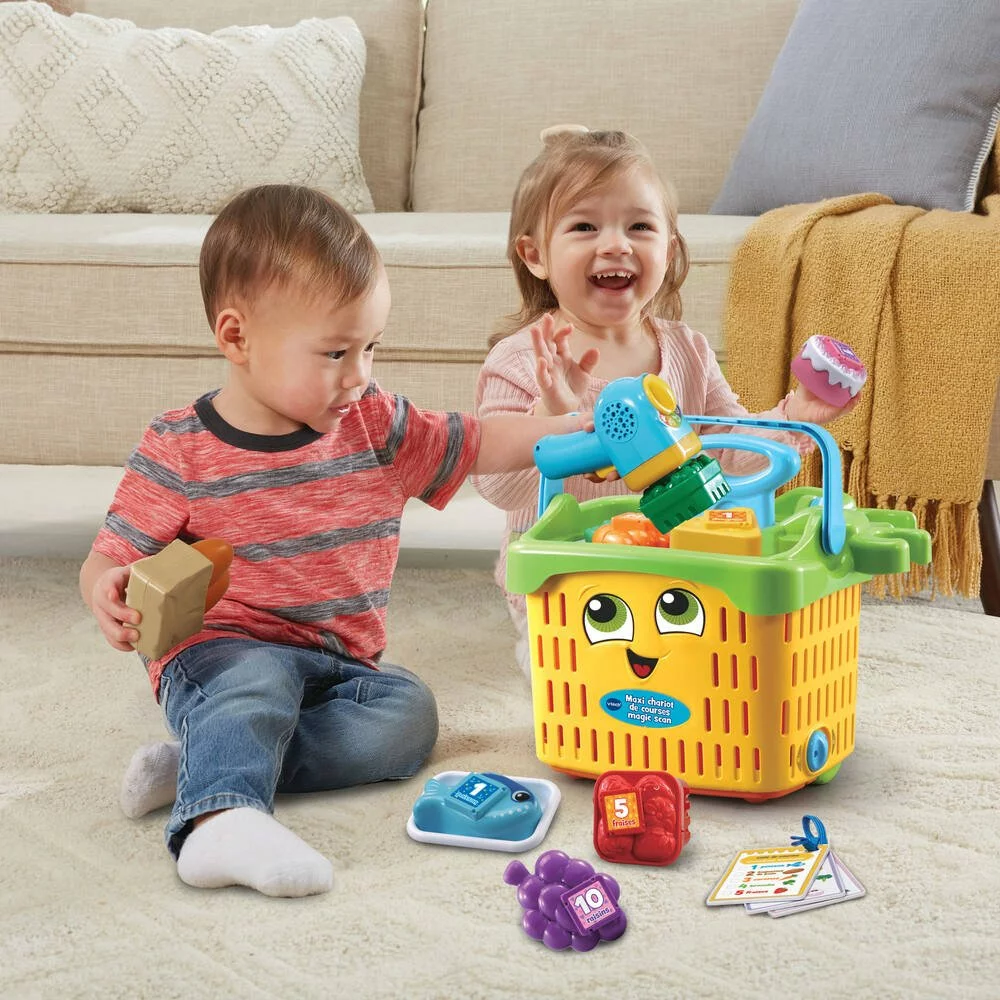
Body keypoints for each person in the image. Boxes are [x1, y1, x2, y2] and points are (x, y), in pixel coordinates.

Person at [79, 184, 586, 898]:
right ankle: (216, 823)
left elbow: (475, 441)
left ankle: (206, 764)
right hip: (223, 650)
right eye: (336, 352)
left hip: (339, 661)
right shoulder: (180, 447)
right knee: (254, 685)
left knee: (407, 720)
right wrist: (105, 589)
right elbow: (109, 557)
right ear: (236, 338)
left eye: (370, 347)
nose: (359, 375)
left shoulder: (374, 423)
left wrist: (568, 431)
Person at [472, 126, 858, 675]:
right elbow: (496, 486)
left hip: (679, 577)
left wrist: (796, 415)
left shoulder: (687, 351)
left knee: (718, 673)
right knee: (584, 680)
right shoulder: (520, 359)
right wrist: (551, 416)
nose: (616, 244)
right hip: (567, 585)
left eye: (640, 226)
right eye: (584, 226)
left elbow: (729, 453)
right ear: (535, 255)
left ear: (668, 249)